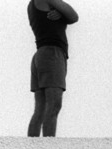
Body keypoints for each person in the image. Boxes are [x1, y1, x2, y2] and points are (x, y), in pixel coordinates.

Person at [27, 0, 78, 137]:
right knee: (54, 104)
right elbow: (74, 17)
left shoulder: (32, 4)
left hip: (41, 54)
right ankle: (49, 146)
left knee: (41, 109)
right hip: (52, 54)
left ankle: (32, 146)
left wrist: (61, 14)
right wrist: (62, 13)